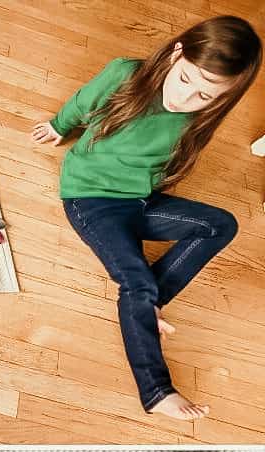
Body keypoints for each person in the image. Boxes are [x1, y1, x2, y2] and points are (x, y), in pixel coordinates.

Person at [32, 16, 261, 420]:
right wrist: (59, 125)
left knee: (222, 224)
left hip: (140, 201)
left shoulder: (199, 117)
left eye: (205, 96)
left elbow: (167, 161)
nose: (186, 99)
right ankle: (156, 390)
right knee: (135, 282)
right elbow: (84, 102)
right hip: (90, 199)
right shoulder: (126, 74)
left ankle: (148, 306)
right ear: (177, 53)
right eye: (186, 79)